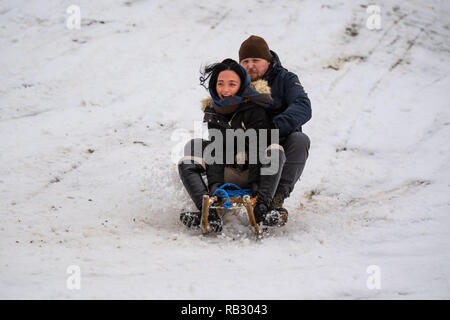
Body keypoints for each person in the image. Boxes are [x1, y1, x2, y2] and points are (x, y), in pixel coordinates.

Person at [178, 58, 286, 232]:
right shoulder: (213, 111)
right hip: (227, 172)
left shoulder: (254, 108)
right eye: (220, 84)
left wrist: (255, 189)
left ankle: (262, 211)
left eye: (231, 84)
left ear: (241, 85)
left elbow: (257, 147)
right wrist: (215, 188)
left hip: (255, 173)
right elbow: (216, 151)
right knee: (192, 149)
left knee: (275, 150)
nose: (225, 90)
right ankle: (208, 214)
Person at [238, 35, 311, 213]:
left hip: (279, 141)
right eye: (245, 61)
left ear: (268, 61)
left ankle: (276, 199)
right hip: (245, 144)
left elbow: (303, 106)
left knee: (300, 140)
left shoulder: (286, 79)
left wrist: (273, 128)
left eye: (255, 60)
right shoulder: (235, 81)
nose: (250, 65)